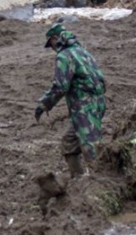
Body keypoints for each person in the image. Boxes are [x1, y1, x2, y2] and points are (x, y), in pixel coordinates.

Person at [34, 23, 107, 177]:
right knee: (69, 143)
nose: (52, 48)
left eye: (51, 44)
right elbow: (101, 79)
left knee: (91, 149)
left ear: (55, 39)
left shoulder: (64, 56)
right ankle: (78, 180)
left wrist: (44, 104)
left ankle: (100, 184)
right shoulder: (83, 52)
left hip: (84, 108)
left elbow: (60, 87)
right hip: (97, 104)